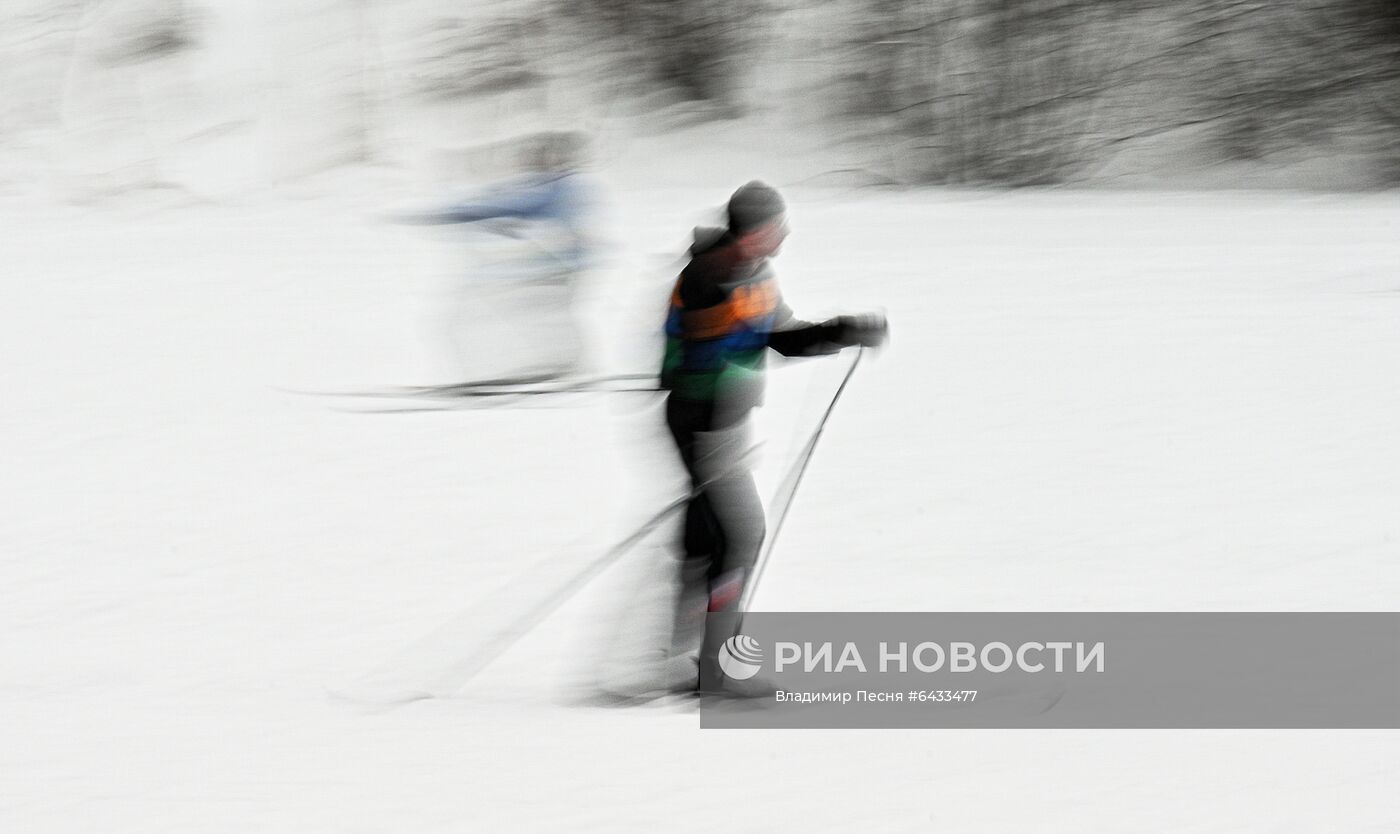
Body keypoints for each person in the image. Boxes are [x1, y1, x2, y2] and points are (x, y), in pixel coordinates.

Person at [660, 181, 887, 691]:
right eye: (778, 225)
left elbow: (778, 336)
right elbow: (715, 350)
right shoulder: (709, 276)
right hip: (703, 421)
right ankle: (711, 667)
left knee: (706, 536)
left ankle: (676, 659)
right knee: (741, 534)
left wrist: (841, 329)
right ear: (756, 231)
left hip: (724, 422)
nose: (785, 233)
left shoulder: (751, 271)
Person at [394, 131, 596, 381]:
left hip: (555, 266)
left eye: (542, 156)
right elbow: (494, 202)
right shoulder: (550, 186)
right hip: (554, 265)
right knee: (542, 316)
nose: (532, 162)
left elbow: (502, 206)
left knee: (469, 315)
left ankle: (562, 369)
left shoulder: (557, 187)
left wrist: (436, 215)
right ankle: (564, 367)